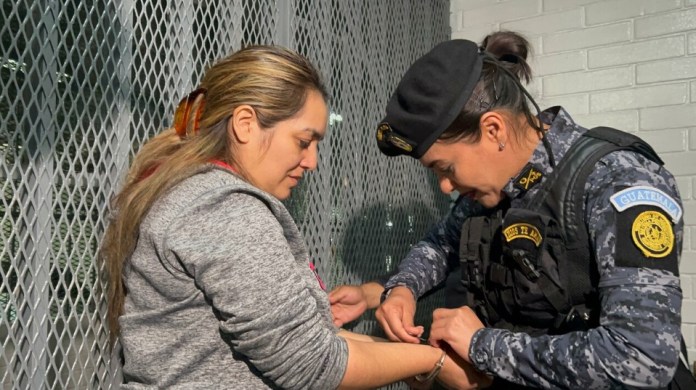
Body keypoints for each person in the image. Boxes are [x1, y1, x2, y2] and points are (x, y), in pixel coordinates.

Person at [99, 44, 491, 389]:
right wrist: (433, 361)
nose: (312, 161)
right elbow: (313, 366)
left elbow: (309, 343)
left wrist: (403, 357)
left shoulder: (196, 195)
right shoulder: (224, 209)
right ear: (246, 124)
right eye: (304, 141)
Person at [330, 31, 696, 389]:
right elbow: (440, 244)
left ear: (493, 130)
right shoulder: (493, 190)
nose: (445, 186)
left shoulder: (617, 180)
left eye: (446, 169)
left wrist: (480, 345)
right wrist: (403, 289)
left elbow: (640, 358)